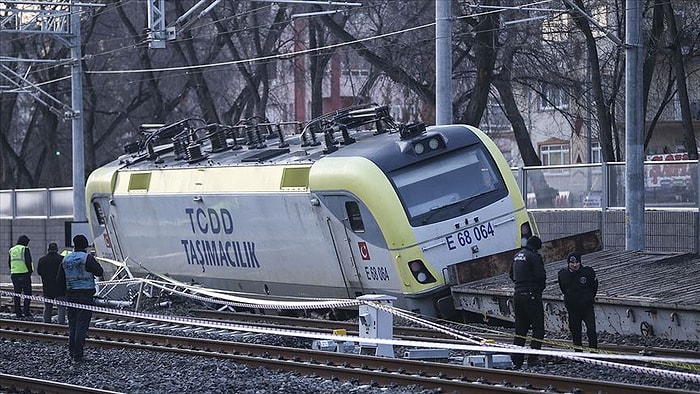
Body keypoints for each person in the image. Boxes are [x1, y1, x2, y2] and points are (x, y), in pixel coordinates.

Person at [57, 234, 104, 363]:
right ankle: (78, 354)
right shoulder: (87, 258)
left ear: (74, 245)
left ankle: (72, 352)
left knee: (72, 324)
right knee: (82, 325)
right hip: (85, 295)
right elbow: (99, 272)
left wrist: (66, 291)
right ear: (85, 246)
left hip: (71, 295)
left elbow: (59, 279)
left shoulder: (65, 259)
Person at [509, 235, 546, 369]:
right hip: (531, 295)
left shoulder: (517, 255)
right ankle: (533, 358)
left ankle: (517, 359)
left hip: (517, 295)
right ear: (536, 247)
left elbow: (511, 275)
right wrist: (538, 288)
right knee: (538, 328)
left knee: (520, 329)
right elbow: (540, 276)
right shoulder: (534, 257)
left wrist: (520, 285)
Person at [558, 252, 598, 351]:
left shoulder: (588, 272)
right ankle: (578, 353)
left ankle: (594, 352)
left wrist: (589, 298)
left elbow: (594, 286)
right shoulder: (563, 274)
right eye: (572, 263)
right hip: (573, 308)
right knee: (576, 332)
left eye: (577, 262)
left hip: (587, 307)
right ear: (568, 263)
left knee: (591, 331)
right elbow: (563, 289)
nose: (575, 265)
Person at [36, 242, 67, 324]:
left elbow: (39, 272)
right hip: (60, 288)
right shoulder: (62, 259)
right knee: (61, 307)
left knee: (47, 308)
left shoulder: (42, 260)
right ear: (57, 249)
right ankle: (61, 324)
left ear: (48, 250)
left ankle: (47, 324)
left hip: (47, 287)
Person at [8, 235, 33, 318]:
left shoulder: (12, 250)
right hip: (24, 274)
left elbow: (9, 263)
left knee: (17, 294)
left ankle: (18, 313)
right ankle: (26, 312)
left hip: (14, 274)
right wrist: (30, 271)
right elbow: (28, 261)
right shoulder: (24, 249)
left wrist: (14, 270)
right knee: (27, 294)